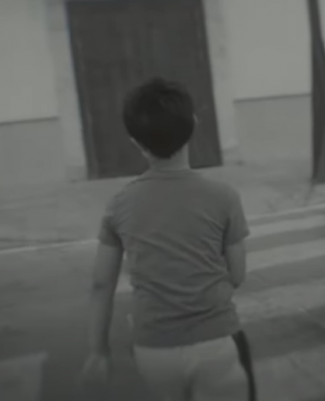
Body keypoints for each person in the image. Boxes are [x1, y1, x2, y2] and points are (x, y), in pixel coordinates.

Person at [79, 78, 255, 401]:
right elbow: (238, 274)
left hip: (152, 349)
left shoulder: (119, 204)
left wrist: (98, 351)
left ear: (136, 142)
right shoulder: (224, 197)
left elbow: (101, 285)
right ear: (194, 125)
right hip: (216, 342)